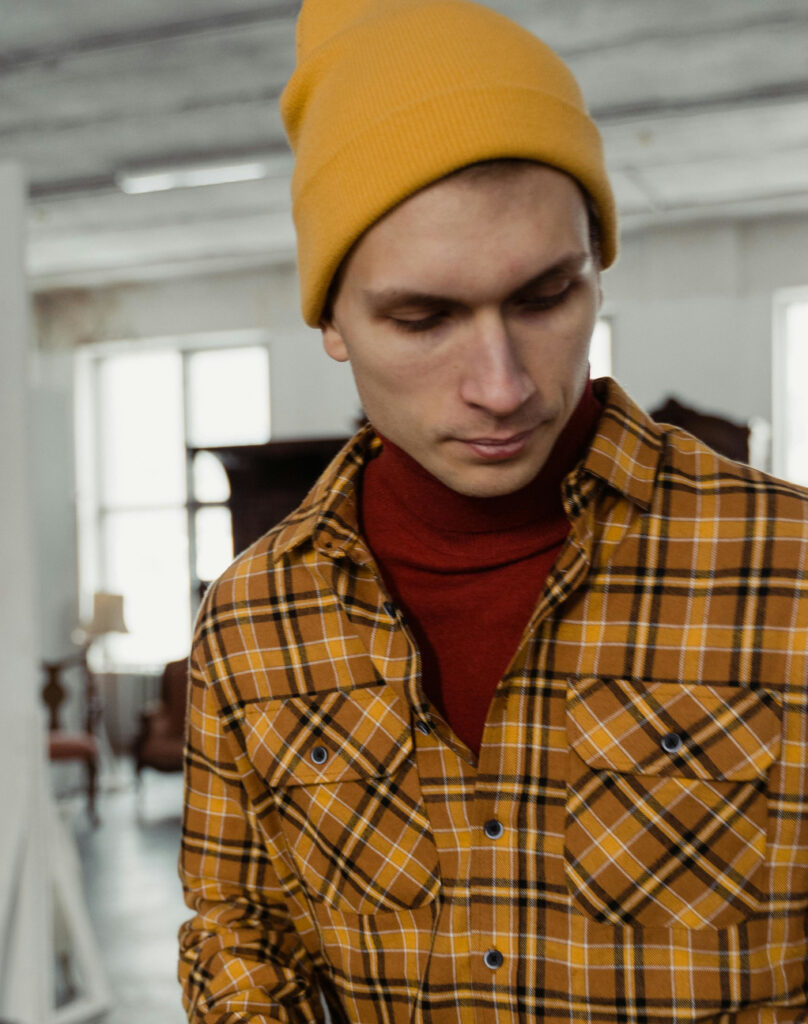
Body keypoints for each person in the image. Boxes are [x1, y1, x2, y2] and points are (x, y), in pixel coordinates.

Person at [178, 1, 808, 1021]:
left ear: (596, 271)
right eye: (422, 318)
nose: (503, 386)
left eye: (544, 297)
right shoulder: (253, 619)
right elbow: (239, 922)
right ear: (331, 320)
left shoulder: (791, 572)